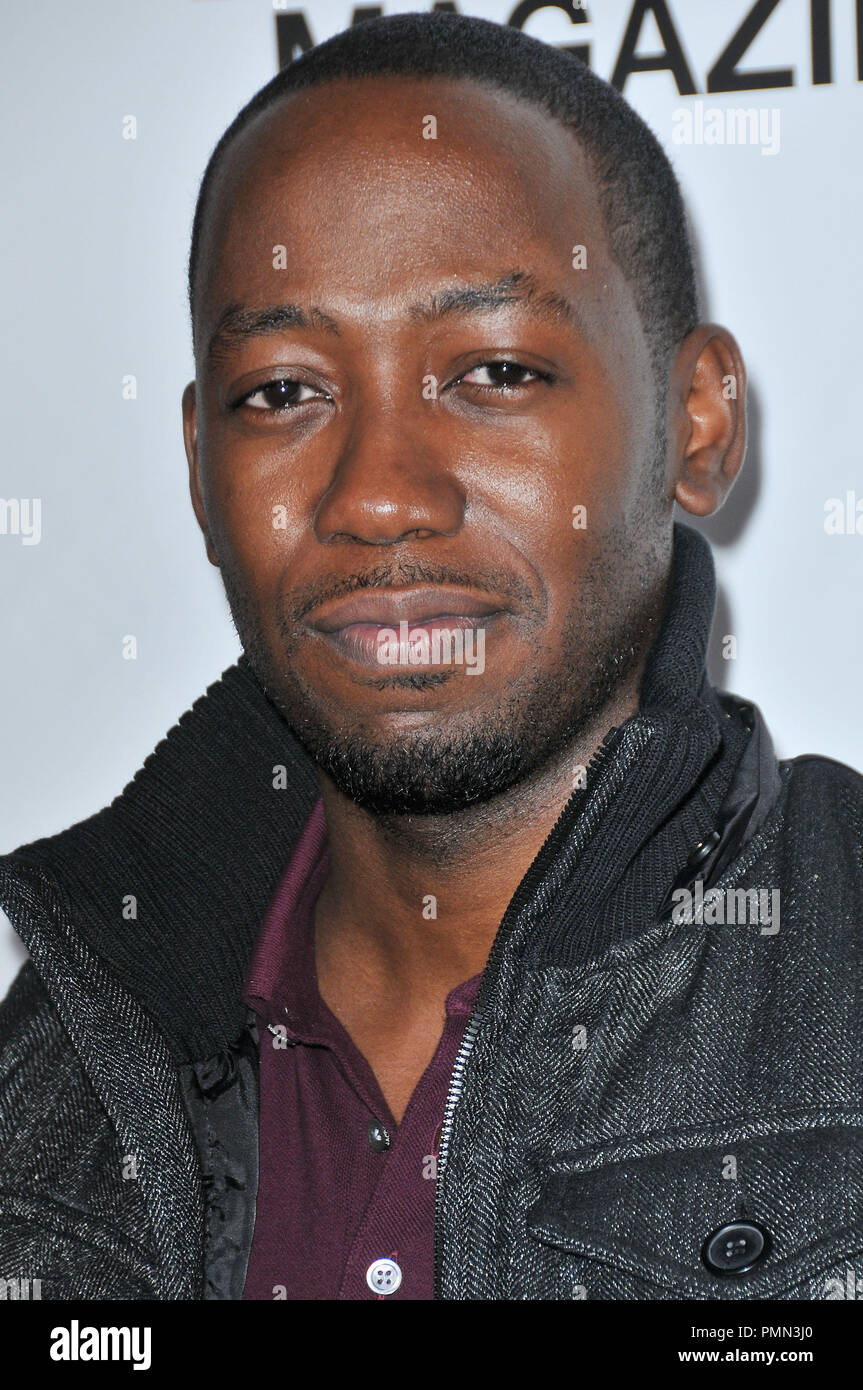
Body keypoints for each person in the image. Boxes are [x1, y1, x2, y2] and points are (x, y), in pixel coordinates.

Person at [1, 11, 861, 1302]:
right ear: (199, 469)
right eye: (283, 390)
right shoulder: (54, 1060)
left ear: (697, 423)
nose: (380, 495)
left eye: (494, 369)